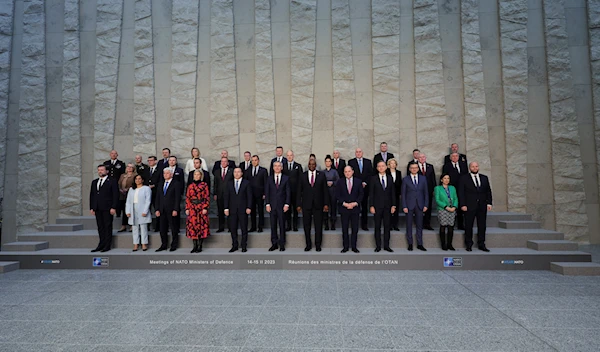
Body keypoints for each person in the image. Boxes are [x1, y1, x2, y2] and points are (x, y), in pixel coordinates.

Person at [459, 162, 492, 252]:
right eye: (473, 166)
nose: (475, 168)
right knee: (468, 225)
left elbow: (488, 191)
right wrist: (463, 204)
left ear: (478, 167)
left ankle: (481, 244)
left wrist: (489, 203)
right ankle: (469, 244)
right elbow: (461, 193)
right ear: (470, 168)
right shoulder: (464, 178)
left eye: (476, 166)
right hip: (469, 206)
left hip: (482, 205)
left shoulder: (484, 178)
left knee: (482, 225)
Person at [297, 159, 329, 252]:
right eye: (310, 164)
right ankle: (308, 245)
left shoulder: (321, 175)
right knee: (306, 226)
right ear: (308, 165)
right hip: (306, 205)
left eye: (313, 164)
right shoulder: (303, 176)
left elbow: (325, 191)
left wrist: (326, 204)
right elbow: (299, 191)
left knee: (318, 226)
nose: (311, 166)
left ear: (316, 165)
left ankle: (318, 245)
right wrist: (298, 204)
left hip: (318, 204)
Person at [90, 165, 119, 252]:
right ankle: (101, 244)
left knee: (107, 226)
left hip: (108, 208)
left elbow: (115, 195)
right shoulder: (94, 182)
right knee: (100, 227)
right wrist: (92, 207)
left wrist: (114, 207)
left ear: (107, 171)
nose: (100, 171)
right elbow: (92, 195)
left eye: (102, 170)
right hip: (97, 208)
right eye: (99, 170)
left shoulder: (112, 181)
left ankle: (107, 245)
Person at [369, 161, 396, 252]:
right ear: (377, 168)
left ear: (386, 167)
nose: (381, 168)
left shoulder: (389, 178)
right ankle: (378, 246)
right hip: (377, 206)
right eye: (379, 166)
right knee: (377, 226)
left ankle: (386, 246)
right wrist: (371, 206)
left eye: (382, 166)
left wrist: (393, 205)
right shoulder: (373, 179)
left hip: (388, 207)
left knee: (387, 226)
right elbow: (371, 194)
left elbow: (393, 192)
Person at [335, 166, 363, 253]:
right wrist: (345, 204)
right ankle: (345, 247)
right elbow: (337, 195)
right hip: (344, 209)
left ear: (352, 172)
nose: (347, 173)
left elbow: (361, 194)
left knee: (355, 229)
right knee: (345, 228)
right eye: (345, 171)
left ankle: (354, 246)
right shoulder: (340, 182)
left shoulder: (358, 182)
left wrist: (355, 203)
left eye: (349, 171)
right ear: (343, 173)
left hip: (355, 209)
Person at [224, 168, 252, 252]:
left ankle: (244, 246)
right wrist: (226, 208)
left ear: (242, 173)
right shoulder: (229, 183)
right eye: (235, 172)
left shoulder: (246, 183)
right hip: (232, 210)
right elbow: (226, 197)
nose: (237, 173)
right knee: (233, 228)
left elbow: (249, 196)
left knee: (244, 228)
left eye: (238, 172)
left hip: (243, 209)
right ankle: (234, 245)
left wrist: (249, 207)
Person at [402, 162, 428, 251]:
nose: (414, 169)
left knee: (419, 225)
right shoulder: (405, 179)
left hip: (420, 205)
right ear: (409, 169)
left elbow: (426, 193)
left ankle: (420, 244)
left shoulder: (423, 179)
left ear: (418, 169)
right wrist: (404, 206)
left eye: (415, 168)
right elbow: (403, 194)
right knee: (409, 225)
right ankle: (410, 243)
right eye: (412, 168)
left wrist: (426, 204)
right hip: (409, 205)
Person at [265, 161, 290, 251]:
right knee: (273, 225)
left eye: (279, 166)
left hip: (282, 206)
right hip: (272, 206)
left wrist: (287, 204)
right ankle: (274, 243)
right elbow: (267, 192)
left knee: (282, 225)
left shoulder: (286, 178)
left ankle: (282, 244)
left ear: (282, 168)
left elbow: (288, 192)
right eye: (275, 166)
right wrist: (267, 204)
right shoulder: (269, 178)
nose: (277, 167)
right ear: (273, 167)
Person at [155, 168, 182, 252]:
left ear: (171, 174)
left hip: (172, 210)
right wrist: (157, 209)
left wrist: (176, 209)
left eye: (167, 173)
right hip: (162, 210)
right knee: (162, 228)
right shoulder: (160, 184)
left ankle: (174, 245)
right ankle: (164, 244)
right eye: (164, 173)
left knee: (173, 228)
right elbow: (158, 197)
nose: (165, 175)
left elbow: (178, 198)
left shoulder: (176, 184)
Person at [348, 148, 373, 231]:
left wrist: (365, 182)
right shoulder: (351, 162)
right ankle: (354, 225)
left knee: (364, 207)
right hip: (355, 188)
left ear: (362, 153)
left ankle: (364, 225)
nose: (358, 153)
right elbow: (351, 174)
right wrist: (359, 183)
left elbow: (370, 174)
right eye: (357, 152)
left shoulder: (368, 162)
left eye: (360, 152)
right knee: (355, 206)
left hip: (365, 187)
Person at [185, 170, 210, 253]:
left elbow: (207, 197)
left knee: (201, 227)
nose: (196, 175)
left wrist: (205, 207)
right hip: (192, 208)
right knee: (193, 227)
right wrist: (187, 208)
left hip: (201, 207)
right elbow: (188, 197)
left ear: (201, 175)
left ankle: (200, 245)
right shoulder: (190, 186)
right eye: (195, 174)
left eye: (198, 174)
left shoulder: (204, 185)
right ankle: (194, 246)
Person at [125, 174, 152, 251]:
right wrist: (128, 211)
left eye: (139, 179)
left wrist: (145, 211)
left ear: (142, 180)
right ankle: (136, 244)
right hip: (133, 209)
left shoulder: (146, 188)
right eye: (136, 179)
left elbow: (148, 201)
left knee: (143, 227)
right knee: (135, 228)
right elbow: (128, 201)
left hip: (142, 209)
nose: (138, 180)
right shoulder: (131, 189)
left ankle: (144, 244)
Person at [442, 152, 468, 229]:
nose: (455, 157)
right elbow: (445, 177)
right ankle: (450, 224)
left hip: (462, 188)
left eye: (456, 156)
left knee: (461, 206)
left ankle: (461, 224)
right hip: (451, 188)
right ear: (450, 158)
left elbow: (466, 176)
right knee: (451, 205)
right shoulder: (446, 166)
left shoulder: (463, 165)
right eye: (453, 156)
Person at [434, 174, 458, 251]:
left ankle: (450, 244)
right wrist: (446, 207)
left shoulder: (452, 188)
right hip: (442, 209)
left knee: (451, 227)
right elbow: (437, 200)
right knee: (443, 226)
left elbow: (455, 198)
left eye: (448, 178)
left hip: (452, 209)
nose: (446, 180)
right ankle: (443, 244)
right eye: (445, 178)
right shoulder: (437, 188)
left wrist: (454, 207)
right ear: (441, 180)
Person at [245, 155, 268, 232]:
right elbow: (246, 182)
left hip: (260, 194)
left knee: (260, 210)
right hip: (251, 194)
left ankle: (260, 226)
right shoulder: (248, 170)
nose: (254, 162)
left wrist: (265, 193)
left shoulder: (263, 170)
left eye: (256, 160)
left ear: (258, 161)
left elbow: (266, 183)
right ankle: (253, 226)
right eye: (253, 160)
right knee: (252, 211)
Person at [283, 150, 303, 231]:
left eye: (291, 155)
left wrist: (300, 191)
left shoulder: (298, 166)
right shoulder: (283, 166)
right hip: (286, 192)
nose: (289, 157)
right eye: (288, 155)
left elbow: (301, 179)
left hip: (296, 191)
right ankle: (288, 225)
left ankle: (295, 225)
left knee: (295, 209)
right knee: (287, 209)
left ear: (293, 156)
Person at [213, 157, 234, 232]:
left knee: (229, 211)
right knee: (220, 211)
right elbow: (215, 183)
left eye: (225, 161)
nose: (224, 163)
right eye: (222, 161)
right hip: (220, 194)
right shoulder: (217, 172)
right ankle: (221, 227)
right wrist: (215, 193)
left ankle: (230, 227)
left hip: (229, 195)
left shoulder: (232, 171)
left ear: (228, 163)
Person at [417, 153, 436, 230]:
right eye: (420, 157)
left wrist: (434, 189)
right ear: (418, 158)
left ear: (426, 158)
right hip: (418, 191)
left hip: (428, 190)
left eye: (423, 157)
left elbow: (433, 178)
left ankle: (427, 223)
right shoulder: (414, 166)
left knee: (428, 207)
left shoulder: (430, 166)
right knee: (419, 207)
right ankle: (419, 223)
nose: (422, 158)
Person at [117, 164, 137, 232]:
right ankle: (123, 225)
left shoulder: (135, 175)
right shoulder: (122, 175)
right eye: (128, 167)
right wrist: (120, 189)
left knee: (131, 210)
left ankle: (132, 225)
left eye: (131, 167)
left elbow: (135, 184)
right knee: (124, 210)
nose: (129, 168)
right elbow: (119, 183)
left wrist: (128, 189)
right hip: (122, 195)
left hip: (131, 194)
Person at [322, 155, 340, 230]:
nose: (328, 163)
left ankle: (333, 224)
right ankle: (326, 224)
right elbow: (320, 182)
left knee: (333, 208)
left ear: (331, 162)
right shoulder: (322, 172)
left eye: (329, 161)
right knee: (325, 208)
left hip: (333, 191)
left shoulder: (334, 172)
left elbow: (338, 181)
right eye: (326, 161)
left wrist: (333, 183)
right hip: (325, 192)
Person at [387, 158, 402, 231]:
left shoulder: (399, 172)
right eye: (391, 163)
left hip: (396, 194)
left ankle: (395, 225)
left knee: (396, 209)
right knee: (388, 210)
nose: (393, 165)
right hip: (388, 194)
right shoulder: (386, 172)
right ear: (388, 165)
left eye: (394, 163)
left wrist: (400, 193)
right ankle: (389, 225)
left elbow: (400, 183)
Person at [147, 156, 161, 232]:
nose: (150, 162)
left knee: (157, 209)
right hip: (147, 192)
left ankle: (157, 226)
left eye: (151, 160)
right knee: (147, 209)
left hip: (156, 192)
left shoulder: (159, 170)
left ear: (155, 161)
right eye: (148, 161)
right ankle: (147, 226)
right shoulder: (146, 170)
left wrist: (154, 185)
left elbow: (161, 180)